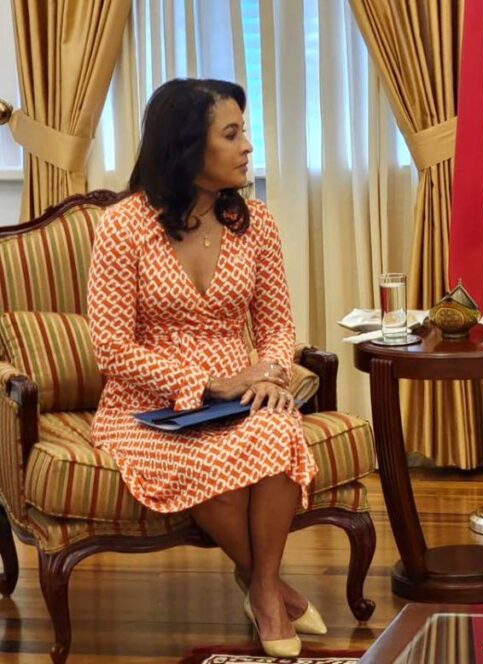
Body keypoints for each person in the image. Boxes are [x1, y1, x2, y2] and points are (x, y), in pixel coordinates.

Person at [87, 79, 319, 657]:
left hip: (242, 389)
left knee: (277, 430)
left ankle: (261, 586)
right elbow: (111, 349)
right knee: (207, 453)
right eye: (232, 134)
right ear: (189, 147)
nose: (247, 148)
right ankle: (270, 591)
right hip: (146, 404)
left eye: (246, 132)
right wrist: (203, 384)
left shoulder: (256, 222)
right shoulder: (123, 225)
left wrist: (269, 373)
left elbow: (278, 325)